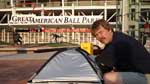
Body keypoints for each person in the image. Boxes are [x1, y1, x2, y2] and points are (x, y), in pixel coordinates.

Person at [91, 19, 150, 84]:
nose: (99, 37)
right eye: (96, 35)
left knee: (108, 77)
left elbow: (98, 63)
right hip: (137, 72)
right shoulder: (115, 39)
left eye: (100, 32)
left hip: (145, 75)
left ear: (109, 29)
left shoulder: (118, 42)